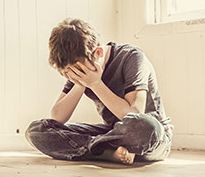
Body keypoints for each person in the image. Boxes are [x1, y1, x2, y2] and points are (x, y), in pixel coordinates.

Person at [25, 18, 173, 164]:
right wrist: (81, 84)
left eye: (77, 71)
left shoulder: (132, 57)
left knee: (145, 127)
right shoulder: (80, 71)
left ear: (98, 53)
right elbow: (57, 117)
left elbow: (135, 113)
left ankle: (96, 150)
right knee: (37, 130)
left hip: (148, 136)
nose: (74, 75)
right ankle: (106, 152)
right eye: (69, 73)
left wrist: (95, 83)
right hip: (112, 134)